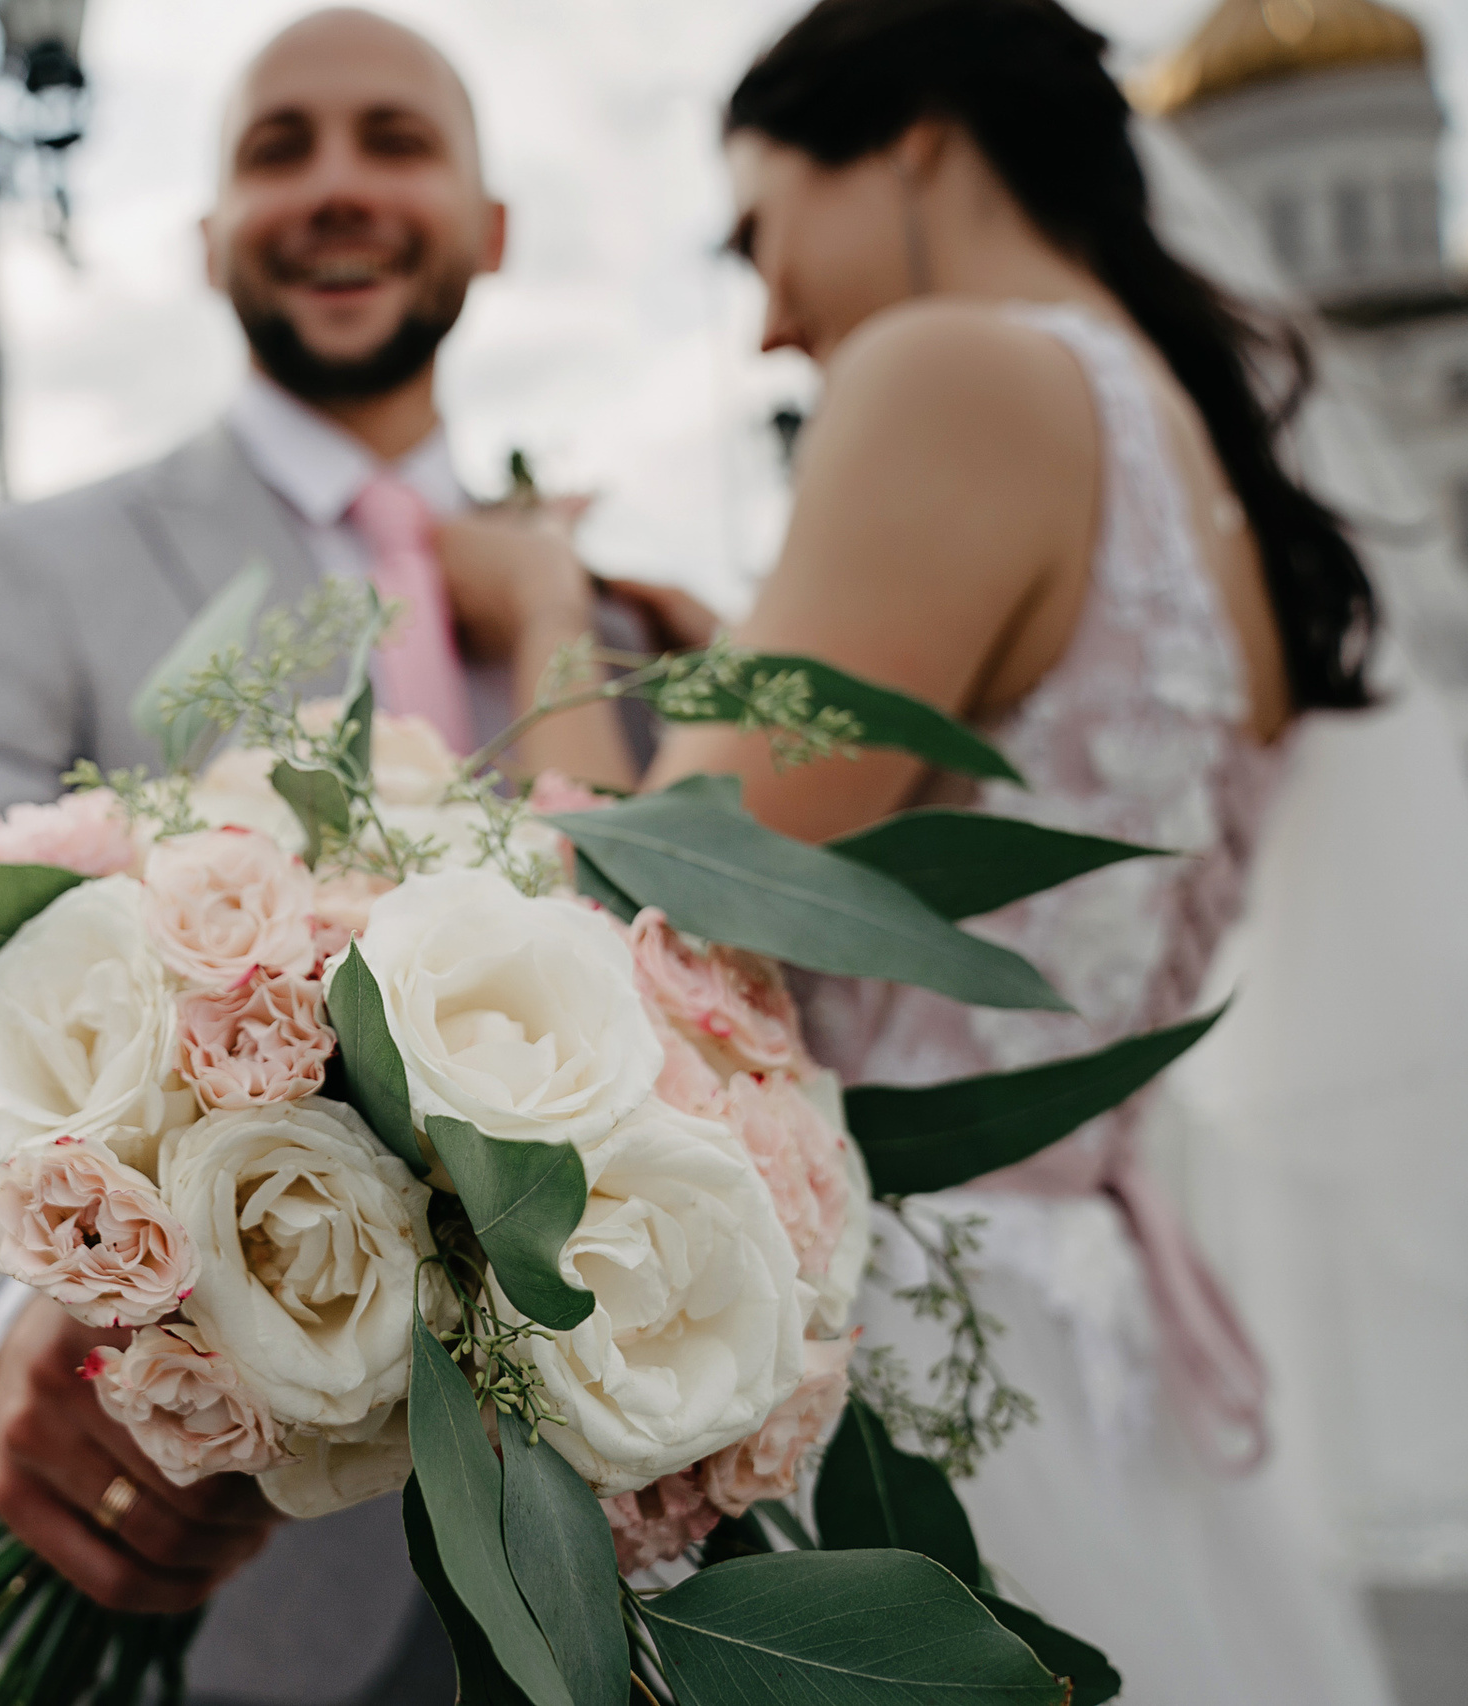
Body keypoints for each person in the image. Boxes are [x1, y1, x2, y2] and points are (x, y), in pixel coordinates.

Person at [440, 0, 1408, 1699]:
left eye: (762, 232)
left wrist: (542, 616)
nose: (767, 321)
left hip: (908, 1356)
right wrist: (742, 654)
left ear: (914, 143)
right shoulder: (1210, 469)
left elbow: (637, 899)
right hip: (1086, 1335)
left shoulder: (958, 369)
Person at [0, 11, 659, 1700]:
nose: (337, 186)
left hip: (612, 1586)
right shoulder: (37, 568)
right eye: (281, 150)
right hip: (210, 1595)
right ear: (210, 240)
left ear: (493, 226)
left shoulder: (613, 626)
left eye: (395, 141)